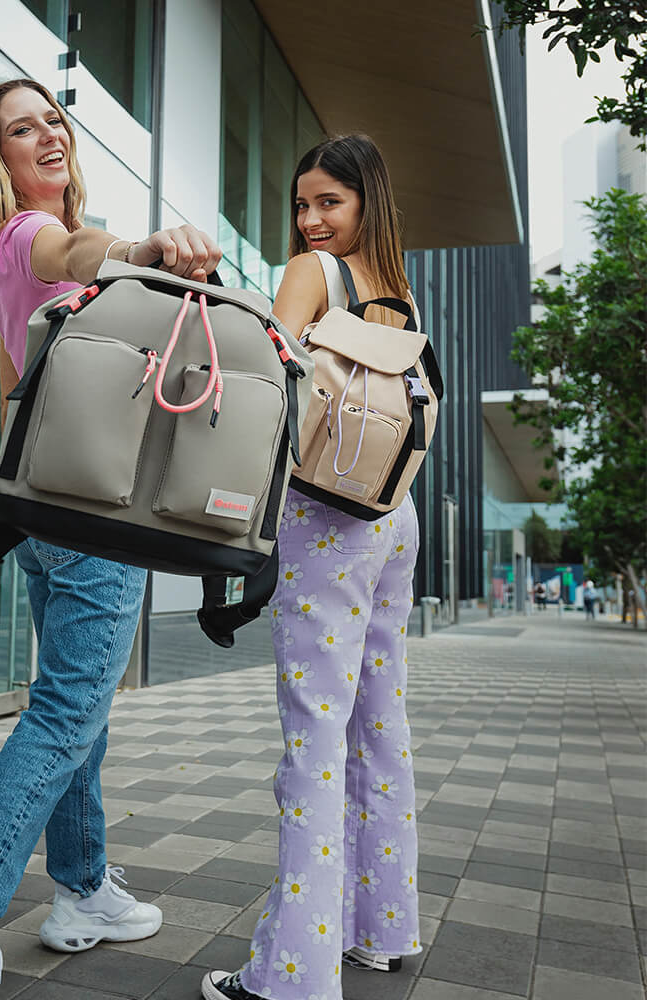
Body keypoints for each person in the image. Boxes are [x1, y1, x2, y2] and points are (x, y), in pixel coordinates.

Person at [0, 78, 221, 1000]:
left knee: (79, 720)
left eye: (53, 119)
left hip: (51, 518)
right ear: (0, 159)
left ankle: (85, 889)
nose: (47, 134)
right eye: (23, 129)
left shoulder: (14, 266)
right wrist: (140, 247)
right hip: (93, 522)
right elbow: (73, 242)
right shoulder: (29, 238)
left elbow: (18, 388)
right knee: (64, 719)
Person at [203, 135, 423, 1000]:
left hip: (327, 518)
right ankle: (384, 929)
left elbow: (265, 378)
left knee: (314, 739)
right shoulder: (395, 292)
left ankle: (289, 975)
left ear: (366, 198)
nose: (311, 220)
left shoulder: (312, 274)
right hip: (392, 517)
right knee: (379, 730)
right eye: (302, 205)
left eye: (329, 201)